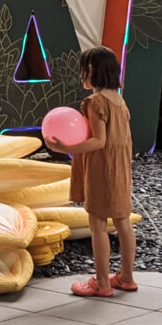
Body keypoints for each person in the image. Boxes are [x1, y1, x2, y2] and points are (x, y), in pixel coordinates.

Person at [45, 46, 136, 297]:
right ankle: (127, 277)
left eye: (83, 70)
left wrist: (67, 147)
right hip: (120, 168)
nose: (81, 75)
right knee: (123, 221)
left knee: (97, 223)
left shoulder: (95, 102)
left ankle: (102, 283)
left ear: (93, 71)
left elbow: (99, 141)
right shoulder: (119, 99)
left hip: (102, 168)